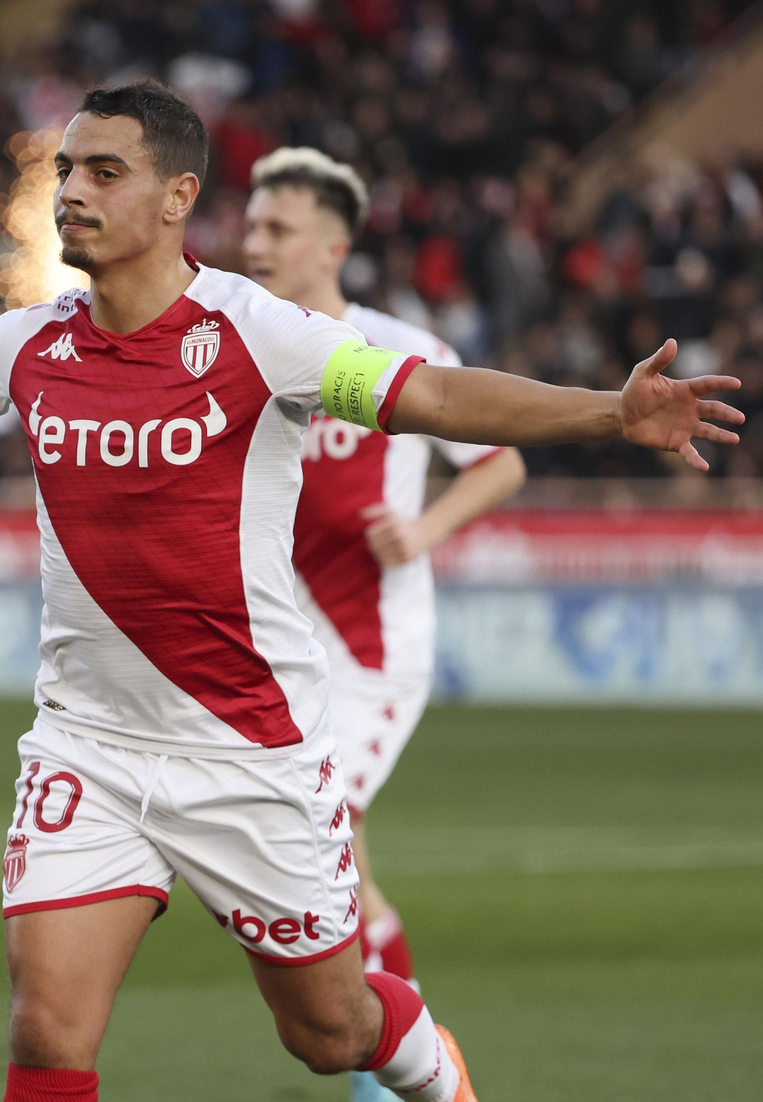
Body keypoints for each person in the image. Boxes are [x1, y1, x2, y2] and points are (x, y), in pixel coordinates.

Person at [0, 79, 742, 1102]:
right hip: (89, 743)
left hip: (247, 751)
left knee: (326, 1032)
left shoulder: (258, 334)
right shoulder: (32, 340)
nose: (73, 191)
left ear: (179, 197)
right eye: (67, 171)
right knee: (48, 1031)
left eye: (105, 171)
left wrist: (610, 410)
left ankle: (432, 1070)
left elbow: (433, 395)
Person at [242, 146, 528, 1102]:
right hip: (279, 660)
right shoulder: (244, 348)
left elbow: (501, 460)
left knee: (331, 824)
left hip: (370, 657)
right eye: (251, 225)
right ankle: (409, 1050)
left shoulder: (392, 348)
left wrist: (424, 528)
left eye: (276, 228)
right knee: (339, 868)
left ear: (335, 242)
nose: (255, 242)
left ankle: (390, 1074)